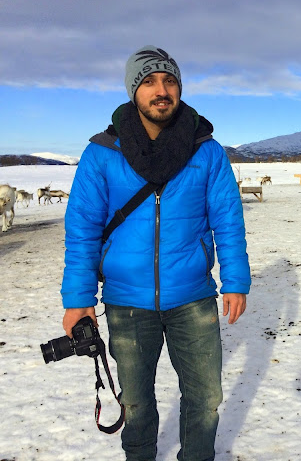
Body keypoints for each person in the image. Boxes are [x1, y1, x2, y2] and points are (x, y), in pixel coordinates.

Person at [60, 45, 251, 460]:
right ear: (134, 91)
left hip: (193, 296)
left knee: (204, 398)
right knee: (136, 402)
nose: (160, 90)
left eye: (169, 81)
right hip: (127, 302)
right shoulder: (102, 153)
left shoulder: (207, 151)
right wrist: (78, 300)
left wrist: (235, 280)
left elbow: (228, 222)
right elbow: (82, 231)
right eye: (148, 82)